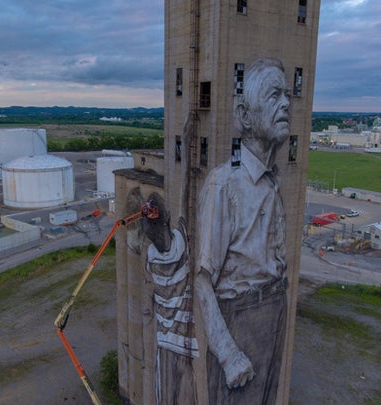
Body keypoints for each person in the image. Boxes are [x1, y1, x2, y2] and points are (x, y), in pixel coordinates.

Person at [195, 57, 290, 404]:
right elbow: (202, 279)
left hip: (273, 313)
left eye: (287, 96)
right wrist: (228, 353)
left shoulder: (271, 182)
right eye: (273, 95)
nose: (285, 105)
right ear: (245, 117)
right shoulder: (224, 184)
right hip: (240, 322)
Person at [142, 193, 198, 404]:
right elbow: (184, 220)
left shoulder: (150, 258)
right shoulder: (182, 246)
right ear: (167, 218)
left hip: (164, 344)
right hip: (186, 348)